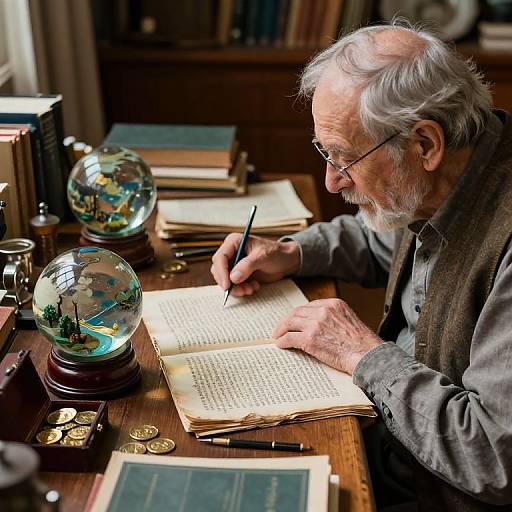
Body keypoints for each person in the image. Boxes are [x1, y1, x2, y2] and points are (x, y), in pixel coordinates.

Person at [210, 21, 512, 512]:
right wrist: (293, 252)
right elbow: (384, 239)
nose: (331, 182)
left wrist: (363, 353)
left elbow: (493, 458)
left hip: (437, 491)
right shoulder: (441, 178)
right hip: (390, 441)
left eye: (344, 157)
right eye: (325, 152)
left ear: (425, 145)